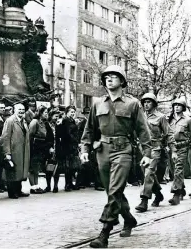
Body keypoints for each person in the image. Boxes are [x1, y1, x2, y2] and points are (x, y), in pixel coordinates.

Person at [80, 65, 152, 248]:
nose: (109, 79)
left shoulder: (132, 103)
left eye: (113, 76)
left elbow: (143, 130)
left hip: (123, 150)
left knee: (115, 189)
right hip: (103, 151)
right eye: (106, 77)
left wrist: (147, 153)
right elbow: (89, 129)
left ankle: (105, 232)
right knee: (112, 191)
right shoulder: (97, 103)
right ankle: (128, 219)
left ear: (122, 81)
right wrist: (84, 149)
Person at [135, 93, 177, 212]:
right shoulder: (140, 116)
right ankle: (158, 193)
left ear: (154, 103)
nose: (146, 104)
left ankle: (144, 200)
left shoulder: (161, 117)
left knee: (149, 172)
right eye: (144, 102)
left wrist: (174, 150)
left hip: (155, 148)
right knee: (148, 174)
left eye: (149, 102)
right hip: (142, 149)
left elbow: (169, 134)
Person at [168, 98, 191, 205]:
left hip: (183, 147)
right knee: (174, 170)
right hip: (171, 148)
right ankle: (182, 189)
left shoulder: (188, 120)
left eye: (179, 105)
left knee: (178, 169)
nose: (176, 107)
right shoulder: (169, 119)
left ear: (183, 107)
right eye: (175, 105)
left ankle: (176, 194)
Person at [1, 103, 31, 199]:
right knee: (12, 171)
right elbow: (5, 137)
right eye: (19, 109)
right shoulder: (10, 121)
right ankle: (12, 192)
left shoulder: (23, 121)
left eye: (23, 109)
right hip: (14, 150)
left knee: (20, 171)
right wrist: (7, 153)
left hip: (22, 151)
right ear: (14, 110)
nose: (21, 111)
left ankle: (18, 190)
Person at [58, 106, 81, 192]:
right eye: (71, 111)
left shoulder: (72, 121)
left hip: (72, 146)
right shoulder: (65, 121)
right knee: (68, 166)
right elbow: (67, 134)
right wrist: (74, 141)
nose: (72, 113)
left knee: (72, 166)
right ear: (67, 112)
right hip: (67, 146)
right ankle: (67, 184)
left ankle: (70, 183)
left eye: (73, 112)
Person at [28, 106, 50, 194]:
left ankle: (36, 186)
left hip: (40, 147)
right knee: (32, 168)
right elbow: (30, 136)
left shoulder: (43, 123)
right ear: (40, 113)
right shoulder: (34, 122)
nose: (47, 114)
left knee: (36, 168)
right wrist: (30, 149)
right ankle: (32, 187)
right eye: (45, 112)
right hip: (34, 147)